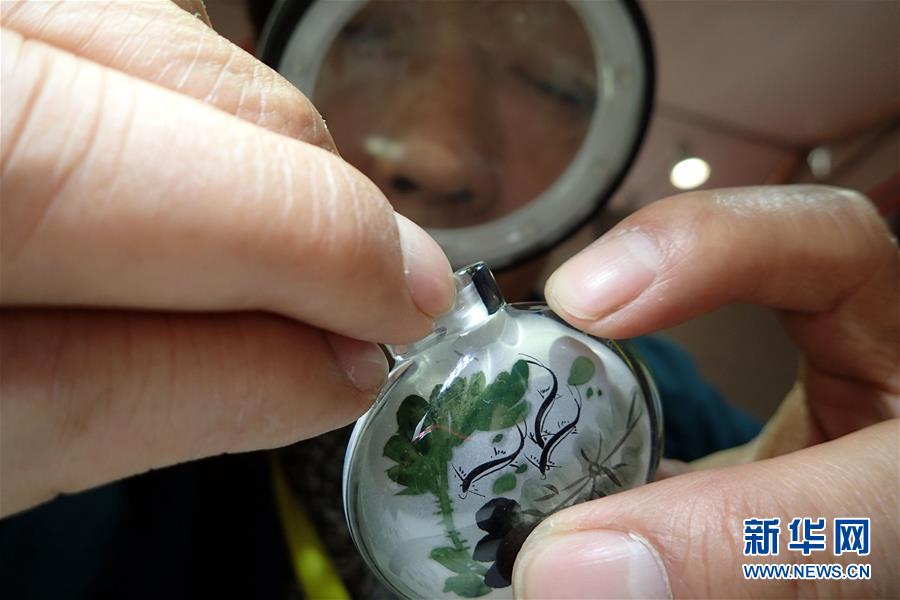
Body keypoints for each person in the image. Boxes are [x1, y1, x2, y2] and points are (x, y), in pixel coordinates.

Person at [1, 2, 896, 599]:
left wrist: (830, 553)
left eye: (549, 81)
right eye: (372, 36)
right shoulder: (66, 442)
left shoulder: (675, 412)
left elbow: (836, 543)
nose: (440, 149)